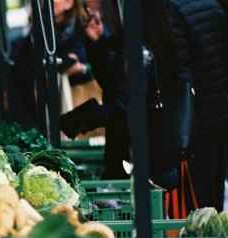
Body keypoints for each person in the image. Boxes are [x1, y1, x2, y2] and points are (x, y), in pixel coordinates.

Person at [61, 0, 192, 202]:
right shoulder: (148, 42)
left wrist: (86, 116)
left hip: (141, 164)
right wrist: (96, 42)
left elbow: (125, 108)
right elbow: (116, 85)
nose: (112, 16)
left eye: (115, 10)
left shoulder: (139, 52)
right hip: (149, 159)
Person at [165, 0, 228, 210]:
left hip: (195, 123)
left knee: (197, 203)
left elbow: (181, 74)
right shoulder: (214, 6)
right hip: (218, 113)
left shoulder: (173, 10)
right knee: (214, 197)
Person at [12, 0, 95, 126]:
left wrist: (82, 68)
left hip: (87, 109)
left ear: (69, 3)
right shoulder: (37, 34)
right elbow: (23, 78)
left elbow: (108, 64)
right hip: (53, 116)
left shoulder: (88, 25)